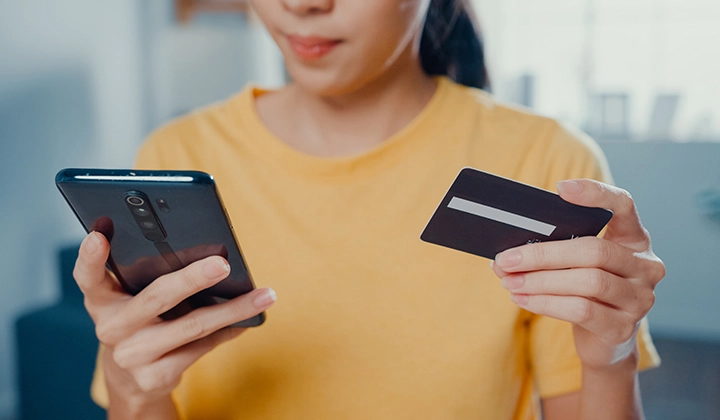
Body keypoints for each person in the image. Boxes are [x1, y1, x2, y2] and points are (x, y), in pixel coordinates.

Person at [72, 0, 665, 418]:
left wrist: (611, 358)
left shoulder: (543, 159)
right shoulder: (174, 157)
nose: (301, 3)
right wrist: (135, 389)